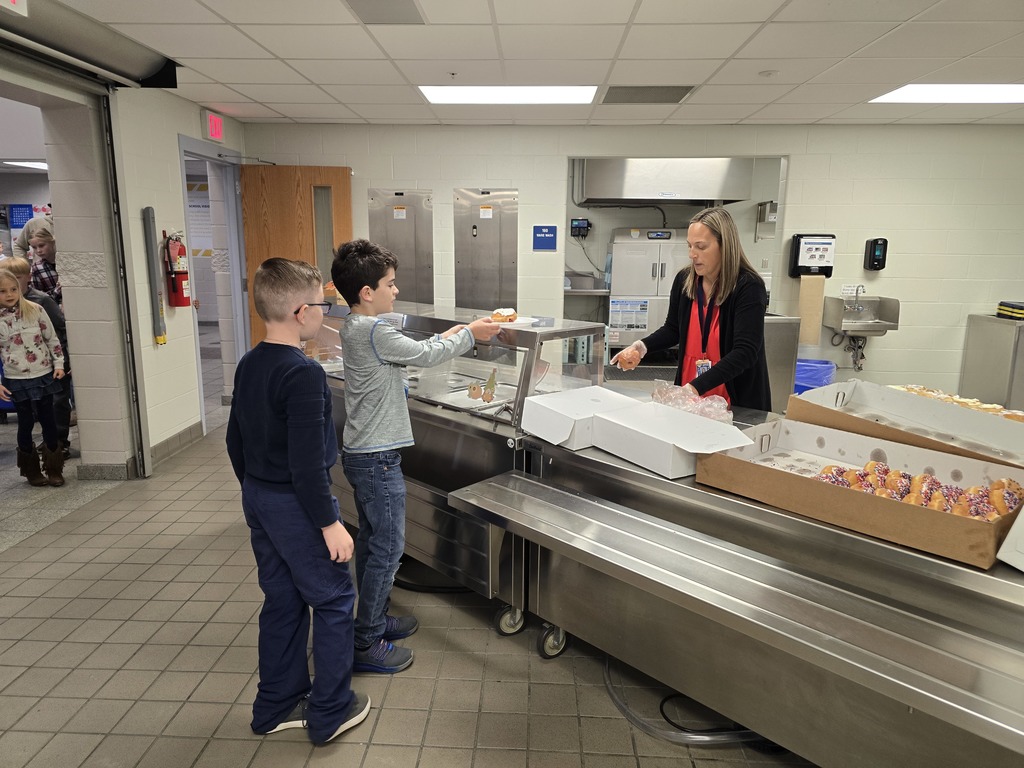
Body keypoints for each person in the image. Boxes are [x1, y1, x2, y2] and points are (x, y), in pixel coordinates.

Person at [331, 239, 501, 674]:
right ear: (367, 292)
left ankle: (373, 619)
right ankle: (366, 640)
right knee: (388, 548)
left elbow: (412, 349)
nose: (396, 289)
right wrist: (470, 334)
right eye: (389, 283)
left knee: (373, 541)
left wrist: (454, 334)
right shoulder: (375, 331)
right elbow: (425, 355)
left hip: (363, 453)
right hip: (377, 458)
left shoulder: (357, 326)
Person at [226, 258, 369, 745]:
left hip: (259, 496)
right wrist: (330, 523)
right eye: (322, 305)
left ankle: (275, 705)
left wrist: (256, 491)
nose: (325, 313)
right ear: (301, 311)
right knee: (334, 599)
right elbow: (308, 466)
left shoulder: (250, 362)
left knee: (283, 598)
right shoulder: (303, 373)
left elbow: (235, 441)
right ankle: (330, 711)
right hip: (295, 504)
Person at [611, 207, 771, 411]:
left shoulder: (748, 287)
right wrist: (641, 346)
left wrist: (694, 388)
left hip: (731, 399)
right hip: (689, 394)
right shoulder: (685, 281)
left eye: (701, 247)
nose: (692, 254)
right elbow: (673, 329)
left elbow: (745, 352)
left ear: (725, 245)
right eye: (690, 246)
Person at [0, 267, 66, 486]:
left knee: (48, 420)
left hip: (43, 374)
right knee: (25, 422)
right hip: (15, 379)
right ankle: (31, 470)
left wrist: (59, 364)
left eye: (13, 289)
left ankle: (54, 468)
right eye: (2, 291)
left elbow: (52, 339)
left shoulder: (35, 309)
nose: (9, 294)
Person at [27, 225, 61, 309]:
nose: (38, 251)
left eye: (41, 245)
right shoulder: (37, 268)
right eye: (34, 247)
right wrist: (57, 291)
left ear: (52, 242)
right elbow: (38, 298)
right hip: (54, 309)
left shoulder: (64, 260)